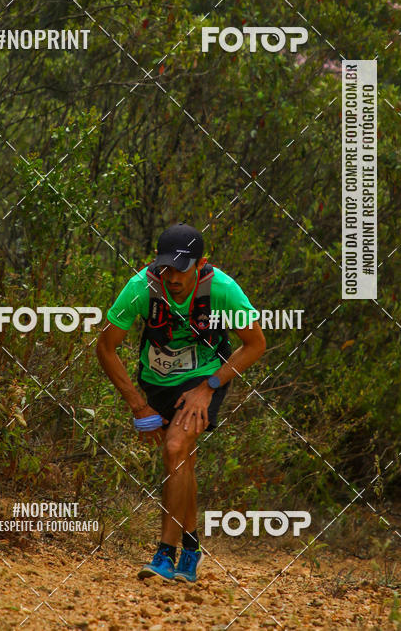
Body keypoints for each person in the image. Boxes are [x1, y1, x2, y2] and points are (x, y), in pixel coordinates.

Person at [96, 222, 265, 582]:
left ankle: (164, 555)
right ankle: (191, 550)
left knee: (175, 448)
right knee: (181, 459)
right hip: (156, 380)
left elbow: (256, 344)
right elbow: (105, 347)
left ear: (201, 263)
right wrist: (138, 405)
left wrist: (208, 387)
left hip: (205, 376)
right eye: (165, 267)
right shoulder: (142, 287)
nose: (172, 277)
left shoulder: (221, 289)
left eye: (181, 268)